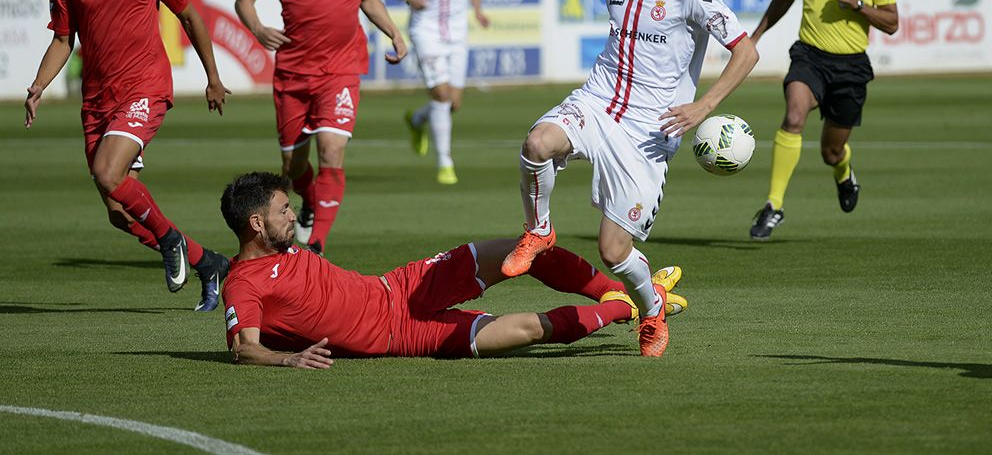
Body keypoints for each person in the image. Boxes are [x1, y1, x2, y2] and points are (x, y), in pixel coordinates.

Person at [499, 0, 760, 357]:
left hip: (649, 133)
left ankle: (652, 307)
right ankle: (539, 229)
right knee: (538, 143)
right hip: (598, 102)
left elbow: (746, 51)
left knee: (613, 251)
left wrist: (703, 107)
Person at [219, 171, 688, 366]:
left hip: (402, 286)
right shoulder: (243, 284)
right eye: (282, 211)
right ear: (256, 223)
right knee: (528, 329)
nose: (291, 215)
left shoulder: (282, 251)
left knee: (523, 250)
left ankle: (613, 291)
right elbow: (245, 348)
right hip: (402, 338)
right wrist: (291, 358)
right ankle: (631, 308)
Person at [24, 0, 232, 312]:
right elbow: (64, 39)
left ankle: (172, 240)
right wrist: (39, 85)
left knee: (106, 172)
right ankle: (208, 262)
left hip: (145, 89)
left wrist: (213, 76)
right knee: (119, 212)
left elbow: (191, 17)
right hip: (97, 103)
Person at [234, 0, 407, 256]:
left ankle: (316, 245)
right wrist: (259, 29)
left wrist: (394, 31)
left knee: (331, 150)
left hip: (341, 71)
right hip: (293, 74)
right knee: (294, 167)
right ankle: (310, 201)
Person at [746, 0, 898, 242]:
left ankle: (844, 173)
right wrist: (755, 37)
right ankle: (774, 206)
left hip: (851, 67)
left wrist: (859, 5)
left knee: (830, 151)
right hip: (810, 56)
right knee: (794, 115)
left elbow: (892, 23)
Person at [378, 0, 488, 186]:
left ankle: (418, 120)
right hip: (425, 28)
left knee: (453, 102)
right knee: (439, 94)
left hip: (457, 29)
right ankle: (445, 162)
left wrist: (477, 10)